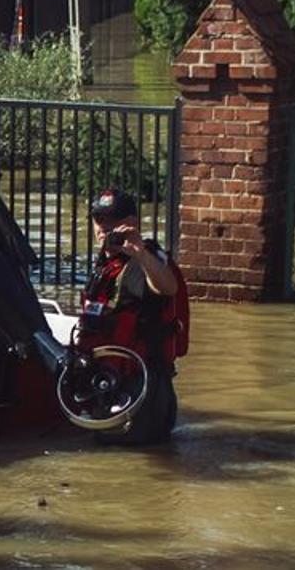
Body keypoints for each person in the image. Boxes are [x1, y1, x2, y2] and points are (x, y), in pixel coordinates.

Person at [78, 188, 188, 445]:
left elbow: (168, 288)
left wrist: (139, 253)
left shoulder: (147, 260)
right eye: (99, 219)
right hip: (107, 385)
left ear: (132, 222)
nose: (104, 227)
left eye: (113, 219)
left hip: (144, 390)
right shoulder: (104, 264)